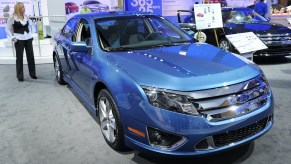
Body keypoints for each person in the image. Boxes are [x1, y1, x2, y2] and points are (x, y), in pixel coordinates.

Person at [5, 2, 37, 82]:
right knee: (19, 58)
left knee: (31, 57)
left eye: (24, 7)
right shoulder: (12, 17)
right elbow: (7, 29)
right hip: (18, 40)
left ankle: (32, 74)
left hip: (28, 39)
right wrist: (13, 38)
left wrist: (31, 35)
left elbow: (29, 27)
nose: (24, 8)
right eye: (22, 7)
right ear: (18, 8)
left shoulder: (26, 16)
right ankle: (20, 76)